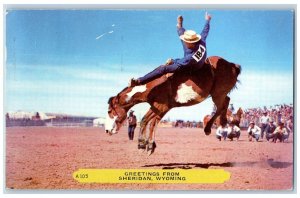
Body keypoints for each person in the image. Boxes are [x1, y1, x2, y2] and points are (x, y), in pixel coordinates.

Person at [129, 12, 212, 87]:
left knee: (163, 68)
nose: (185, 41)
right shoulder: (202, 40)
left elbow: (182, 62)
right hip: (194, 59)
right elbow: (205, 30)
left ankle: (139, 81)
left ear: (191, 42)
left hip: (191, 67)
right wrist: (207, 20)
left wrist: (173, 61)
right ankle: (180, 26)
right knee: (182, 37)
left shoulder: (190, 58)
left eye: (186, 41)